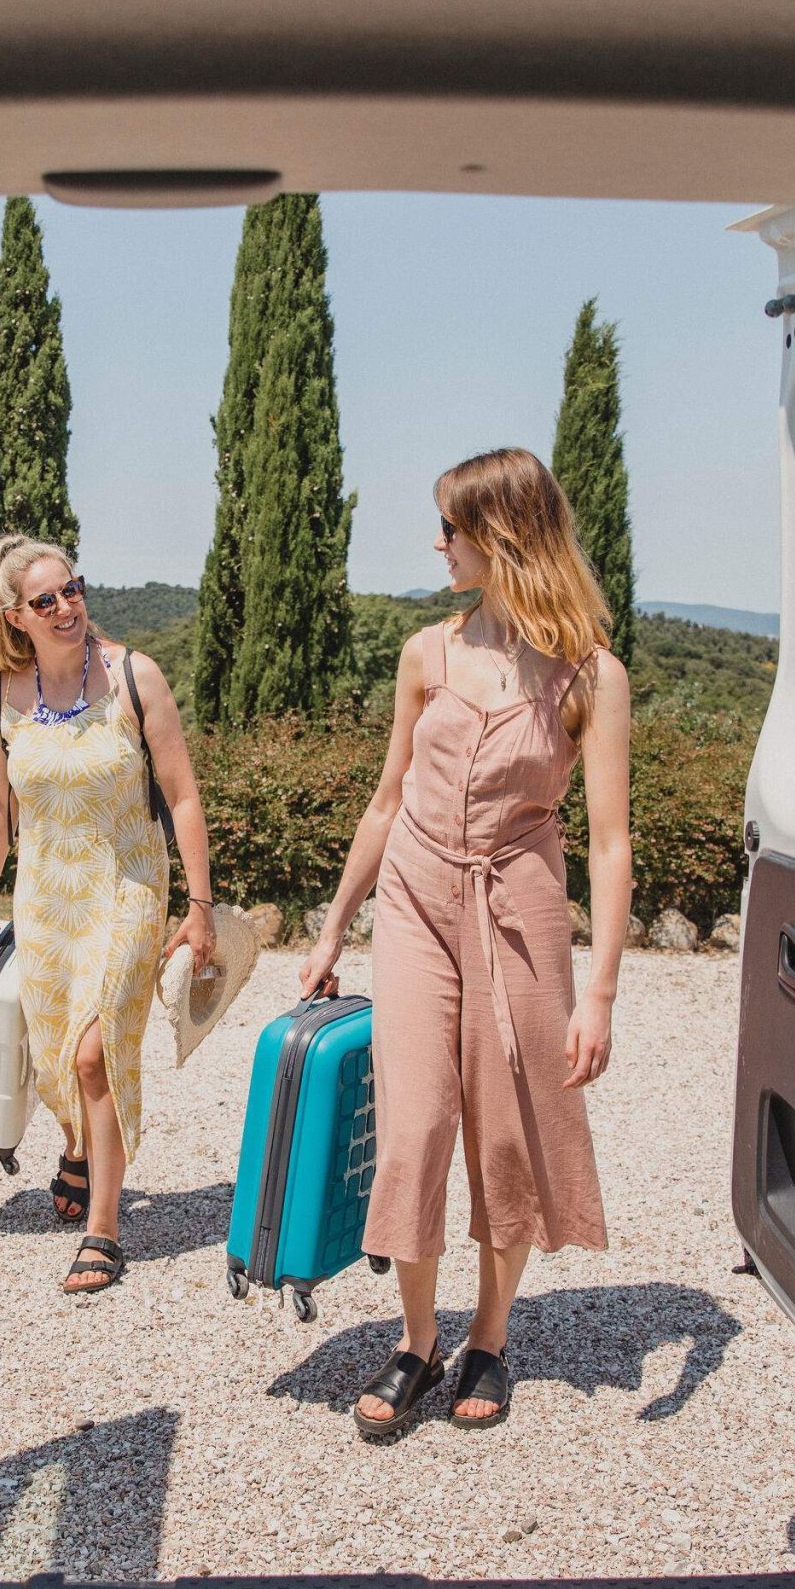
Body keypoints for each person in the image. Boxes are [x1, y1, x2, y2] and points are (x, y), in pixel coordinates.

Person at [300, 448, 633, 1434]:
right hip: (415, 897)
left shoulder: (590, 675)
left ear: (500, 536)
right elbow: (385, 800)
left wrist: (601, 995)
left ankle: (487, 1338)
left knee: (504, 1134)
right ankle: (416, 1342)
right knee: (415, 1126)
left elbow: (612, 844)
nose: (437, 544)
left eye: (451, 528)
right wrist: (331, 927)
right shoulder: (424, 654)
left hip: (519, 911)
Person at [0, 534, 217, 1294]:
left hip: (128, 889)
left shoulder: (136, 677)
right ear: (16, 617)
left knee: (92, 1055)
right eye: (46, 600)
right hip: (45, 902)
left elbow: (183, 796)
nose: (66, 606)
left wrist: (200, 907)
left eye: (72, 589)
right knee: (55, 1061)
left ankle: (103, 1228)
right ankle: (78, 1144)